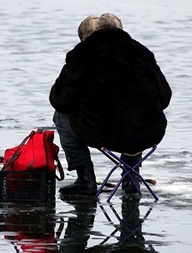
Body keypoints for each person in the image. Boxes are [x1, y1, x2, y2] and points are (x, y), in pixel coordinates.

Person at [49, 13, 172, 196]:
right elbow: (165, 97)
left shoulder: (82, 54)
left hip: (100, 133)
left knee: (60, 117)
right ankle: (132, 179)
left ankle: (85, 180)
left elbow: (59, 101)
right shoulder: (142, 52)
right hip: (148, 134)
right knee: (136, 113)